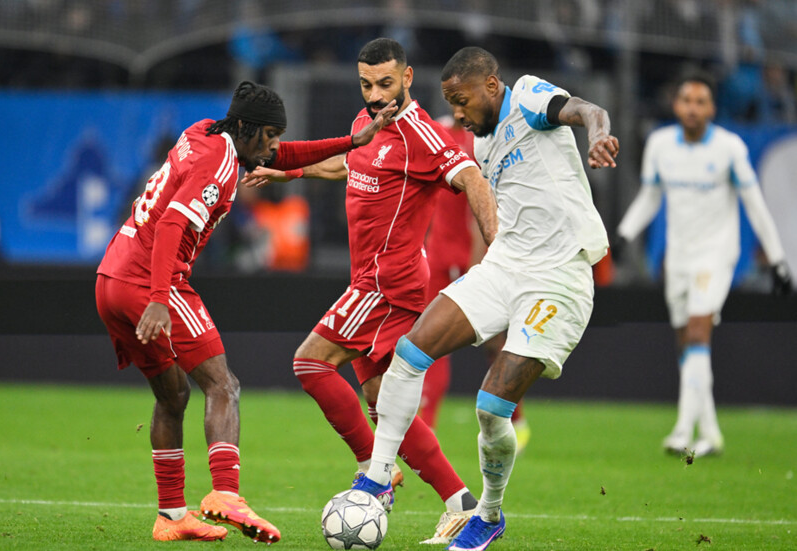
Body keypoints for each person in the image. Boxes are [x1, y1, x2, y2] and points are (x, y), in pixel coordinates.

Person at [95, 80, 397, 543]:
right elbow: (173, 222)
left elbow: (284, 156)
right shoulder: (219, 162)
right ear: (245, 128)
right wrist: (158, 297)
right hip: (150, 281)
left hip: (111, 277)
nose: (273, 146)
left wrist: (352, 141)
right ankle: (226, 493)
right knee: (224, 385)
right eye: (269, 135)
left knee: (173, 397)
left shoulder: (205, 133)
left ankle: (172, 516)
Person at [353, 46, 618, 551]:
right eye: (451, 103)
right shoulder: (481, 141)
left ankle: (489, 514)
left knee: (491, 409)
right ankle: (377, 478)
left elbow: (587, 109)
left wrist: (599, 132)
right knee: (409, 353)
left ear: (492, 86)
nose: (457, 114)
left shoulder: (529, 97)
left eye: (462, 101)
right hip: (505, 267)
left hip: (559, 277)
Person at [243, 38, 498, 545]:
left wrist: (498, 249)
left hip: (387, 284)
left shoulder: (421, 134)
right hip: (373, 280)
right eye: (366, 84)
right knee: (384, 401)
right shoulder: (367, 122)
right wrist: (289, 171)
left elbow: (472, 177)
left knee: (310, 363)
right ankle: (461, 504)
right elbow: (349, 163)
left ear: (407, 77)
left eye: (386, 83)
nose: (376, 94)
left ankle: (373, 472)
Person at [613, 75, 792, 457]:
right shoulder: (661, 145)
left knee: (697, 333)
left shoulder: (730, 148)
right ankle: (710, 433)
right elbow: (650, 196)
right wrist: (625, 234)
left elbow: (755, 204)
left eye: (701, 101)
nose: (693, 108)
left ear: (711, 108)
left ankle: (682, 431)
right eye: (687, 100)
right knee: (688, 344)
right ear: (676, 105)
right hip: (678, 256)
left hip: (716, 254)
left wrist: (777, 258)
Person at [420, 117, 530, 454]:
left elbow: (483, 204)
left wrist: (478, 261)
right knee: (429, 341)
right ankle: (427, 428)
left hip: (471, 256)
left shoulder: (484, 139)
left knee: (494, 342)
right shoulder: (434, 131)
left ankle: (515, 419)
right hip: (437, 256)